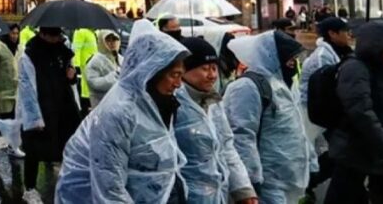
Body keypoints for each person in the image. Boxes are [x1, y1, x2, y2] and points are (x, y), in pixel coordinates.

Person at [56, 20, 187, 203]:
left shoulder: (158, 102)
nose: (179, 84)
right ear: (152, 72)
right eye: (174, 75)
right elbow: (110, 188)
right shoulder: (118, 112)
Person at [325, 21, 383, 204]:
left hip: (375, 151)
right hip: (356, 151)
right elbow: (361, 112)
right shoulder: (355, 69)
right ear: (375, 47)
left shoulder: (380, 69)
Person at [223, 31, 310, 203]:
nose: (293, 64)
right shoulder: (247, 87)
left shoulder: (283, 84)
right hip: (266, 181)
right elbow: (241, 135)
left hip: (288, 178)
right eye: (289, 59)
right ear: (271, 56)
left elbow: (296, 128)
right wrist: (250, 182)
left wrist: (310, 163)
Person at [174, 37, 258, 204]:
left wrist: (243, 190)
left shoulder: (213, 101)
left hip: (218, 195)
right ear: (184, 70)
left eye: (214, 68)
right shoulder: (173, 104)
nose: (212, 75)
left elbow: (226, 146)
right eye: (205, 69)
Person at [19, 27, 81, 203]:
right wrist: (33, 117)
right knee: (34, 149)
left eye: (58, 36)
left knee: (66, 143)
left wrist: (71, 77)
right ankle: (29, 188)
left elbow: (69, 80)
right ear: (42, 34)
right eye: (52, 36)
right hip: (41, 106)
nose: (56, 39)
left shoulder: (63, 52)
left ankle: (65, 181)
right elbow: (26, 87)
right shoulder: (30, 55)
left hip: (62, 106)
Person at [299, 17, 352, 202]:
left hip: (329, 112)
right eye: (345, 31)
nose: (349, 35)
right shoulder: (323, 56)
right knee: (338, 154)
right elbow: (329, 89)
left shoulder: (340, 51)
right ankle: (309, 182)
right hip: (319, 113)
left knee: (341, 154)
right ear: (332, 34)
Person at [0, 24, 24, 156]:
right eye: (12, 33)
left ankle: (12, 145)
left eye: (17, 33)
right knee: (6, 118)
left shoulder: (19, 48)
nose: (14, 36)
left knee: (14, 119)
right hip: (2, 90)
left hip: (16, 90)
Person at [85, 30, 123, 108]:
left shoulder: (121, 59)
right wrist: (114, 77)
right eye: (108, 40)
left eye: (114, 39)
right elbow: (93, 83)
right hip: (101, 105)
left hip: (119, 105)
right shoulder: (95, 61)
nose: (112, 43)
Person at [72, 28, 97, 114]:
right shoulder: (80, 31)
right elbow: (76, 49)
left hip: (92, 65)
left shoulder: (92, 32)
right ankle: (84, 110)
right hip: (85, 65)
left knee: (88, 89)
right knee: (84, 90)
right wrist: (77, 65)